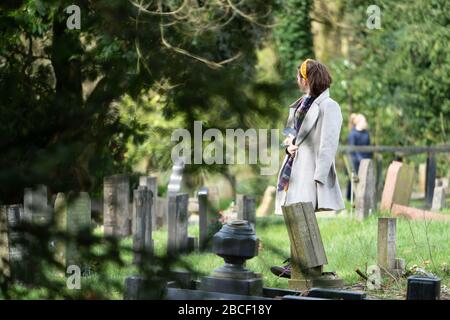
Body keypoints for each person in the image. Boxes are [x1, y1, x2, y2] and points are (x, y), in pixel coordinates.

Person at [271, 58, 345, 278]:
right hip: (294, 167)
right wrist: (289, 147)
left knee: (302, 216)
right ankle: (300, 266)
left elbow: (329, 143)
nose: (297, 80)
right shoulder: (301, 104)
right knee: (294, 214)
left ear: (307, 79)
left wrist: (319, 177)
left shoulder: (329, 106)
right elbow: (290, 135)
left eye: (299, 77)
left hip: (311, 171)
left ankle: (305, 267)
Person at [346, 113, 373, 201]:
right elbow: (353, 149)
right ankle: (350, 198)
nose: (366, 122)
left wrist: (367, 160)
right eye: (364, 121)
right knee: (354, 178)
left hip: (365, 159)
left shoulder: (366, 133)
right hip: (355, 160)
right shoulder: (352, 134)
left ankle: (364, 198)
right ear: (358, 122)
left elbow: (369, 147)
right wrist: (360, 160)